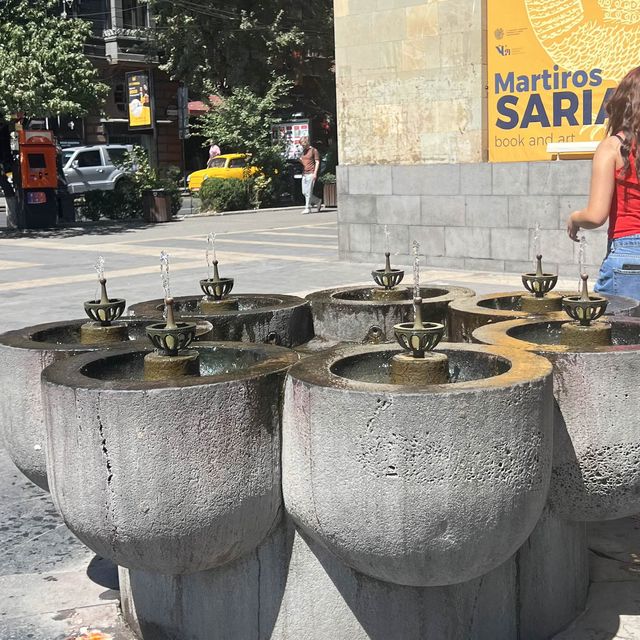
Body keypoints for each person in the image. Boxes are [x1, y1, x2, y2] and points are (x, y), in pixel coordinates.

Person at [567, 66, 640, 300]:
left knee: (619, 335)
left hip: (628, 257)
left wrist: (575, 218)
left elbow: (596, 216)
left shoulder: (611, 147)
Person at [299, 136, 322, 214]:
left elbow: (317, 162)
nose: (303, 146)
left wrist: (315, 173)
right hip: (304, 173)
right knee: (304, 192)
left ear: (307, 142)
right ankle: (318, 201)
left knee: (308, 192)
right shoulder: (303, 152)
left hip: (311, 173)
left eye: (303, 144)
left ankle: (307, 208)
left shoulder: (313, 150)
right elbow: (304, 162)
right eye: (301, 145)